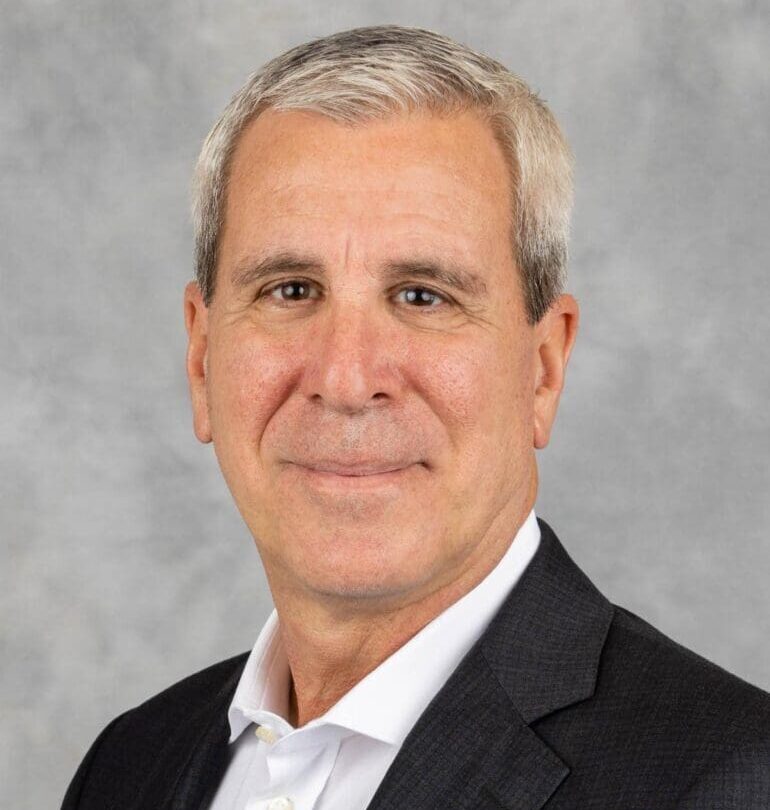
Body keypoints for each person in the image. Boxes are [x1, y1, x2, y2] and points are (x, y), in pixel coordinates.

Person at [61, 24, 770, 810]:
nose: (346, 376)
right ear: (201, 361)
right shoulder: (129, 766)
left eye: (423, 296)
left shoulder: (726, 780)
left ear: (543, 370)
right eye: (290, 290)